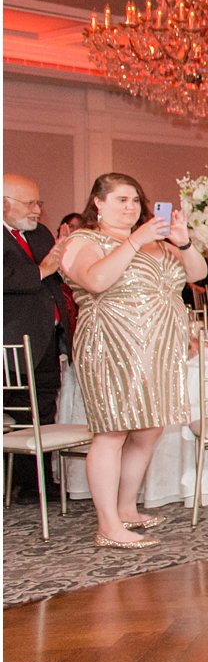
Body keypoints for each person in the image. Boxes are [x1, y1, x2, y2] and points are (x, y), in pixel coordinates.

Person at [59, 173, 208, 549]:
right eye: (121, 200)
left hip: (158, 350)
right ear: (98, 202)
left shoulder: (158, 243)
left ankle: (125, 507)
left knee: (149, 428)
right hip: (110, 345)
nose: (130, 208)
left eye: (135, 201)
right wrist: (134, 240)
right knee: (111, 431)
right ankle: (108, 525)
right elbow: (96, 280)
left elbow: (198, 273)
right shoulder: (83, 240)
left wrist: (184, 241)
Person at [3, 174, 71, 504]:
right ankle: (22, 484)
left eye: (38, 203)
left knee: (45, 409)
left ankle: (40, 483)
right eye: (30, 203)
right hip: (12, 342)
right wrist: (43, 269)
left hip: (46, 337)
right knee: (19, 414)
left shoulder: (40, 233)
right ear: (4, 203)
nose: (37, 211)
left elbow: (57, 273)